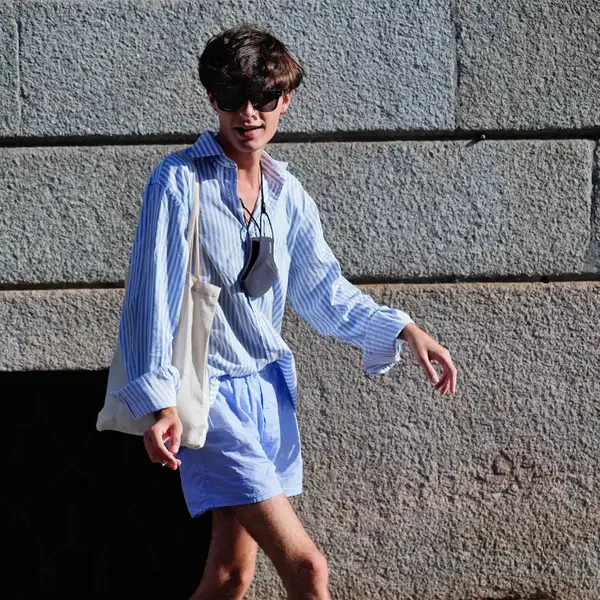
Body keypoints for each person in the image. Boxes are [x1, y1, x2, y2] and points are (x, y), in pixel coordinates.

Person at [112, 24, 457, 600]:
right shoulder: (179, 180)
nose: (248, 113)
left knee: (231, 576)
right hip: (207, 395)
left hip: (265, 394)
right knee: (308, 569)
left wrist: (402, 327)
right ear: (213, 100)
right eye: (232, 97)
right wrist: (160, 404)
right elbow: (151, 297)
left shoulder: (286, 193)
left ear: (285, 101)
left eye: (263, 97)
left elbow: (323, 290)